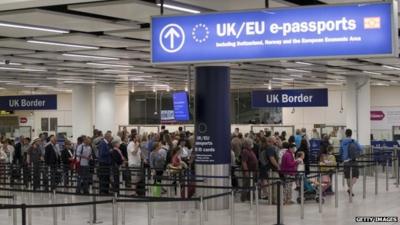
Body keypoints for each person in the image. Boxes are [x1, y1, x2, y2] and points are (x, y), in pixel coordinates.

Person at [340, 129, 362, 196]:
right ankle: (350, 189)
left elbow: (340, 151)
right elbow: (361, 149)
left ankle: (350, 189)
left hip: (345, 161)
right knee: (355, 175)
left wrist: (342, 158)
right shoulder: (354, 141)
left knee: (347, 176)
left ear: (345, 134)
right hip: (353, 160)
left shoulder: (342, 142)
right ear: (351, 134)